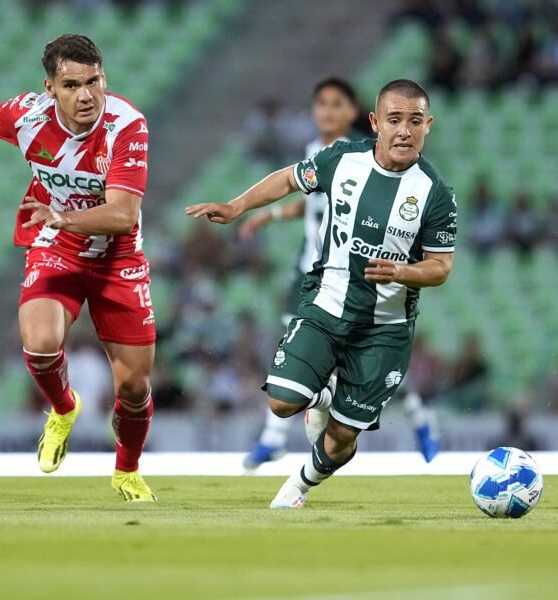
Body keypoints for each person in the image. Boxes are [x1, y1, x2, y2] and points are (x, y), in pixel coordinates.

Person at [187, 79, 457, 508]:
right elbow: (290, 180)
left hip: (385, 328)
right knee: (281, 402)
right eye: (394, 120)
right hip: (326, 304)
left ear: (428, 125)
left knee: (343, 438)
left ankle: (296, 488)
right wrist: (238, 206)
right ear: (375, 123)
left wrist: (405, 271)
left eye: (414, 121)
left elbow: (441, 267)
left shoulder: (436, 195)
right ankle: (326, 394)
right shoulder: (341, 159)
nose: (404, 131)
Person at [0, 34, 157, 502]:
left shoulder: (127, 126)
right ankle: (64, 408)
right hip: (57, 244)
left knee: (135, 387)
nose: (85, 95)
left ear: (105, 79)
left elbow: (123, 215)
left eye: (93, 81)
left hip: (118, 258)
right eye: (71, 84)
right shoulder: (28, 115)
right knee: (39, 343)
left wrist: (66, 215)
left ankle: (127, 471)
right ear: (50, 89)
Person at [237, 78, 439, 471]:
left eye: (336, 105)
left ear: (353, 115)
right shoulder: (318, 153)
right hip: (315, 271)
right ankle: (274, 438)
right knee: (297, 351)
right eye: (321, 105)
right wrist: (271, 214)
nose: (327, 112)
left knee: (366, 365)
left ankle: (418, 417)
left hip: (359, 276)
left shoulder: (359, 156)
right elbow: (311, 203)